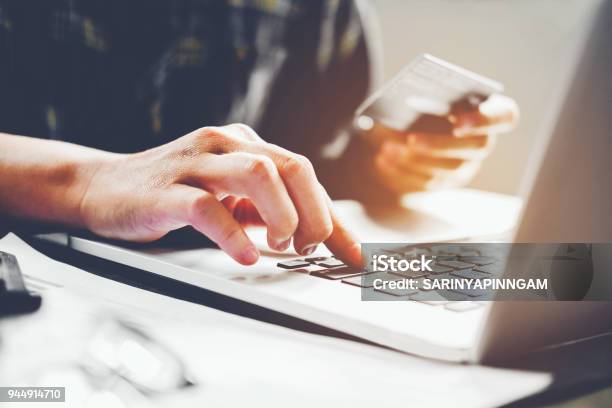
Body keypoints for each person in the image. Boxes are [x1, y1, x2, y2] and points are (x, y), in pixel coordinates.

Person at [0, 0, 517, 266]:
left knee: (566, 278)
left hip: (227, 274)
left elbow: (315, 155)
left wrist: (389, 164)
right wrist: (87, 183)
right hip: (33, 282)